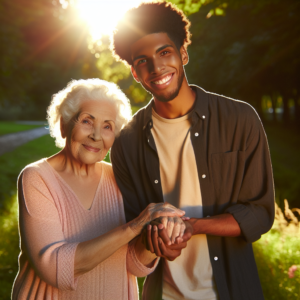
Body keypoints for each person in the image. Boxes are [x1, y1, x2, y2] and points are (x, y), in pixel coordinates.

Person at [111, 2, 275, 300]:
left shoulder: (240, 119)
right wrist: (156, 240)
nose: (157, 67)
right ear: (135, 72)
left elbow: (259, 212)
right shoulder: (126, 142)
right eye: (143, 61)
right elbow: (132, 230)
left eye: (164, 52)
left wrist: (193, 227)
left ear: (183, 53)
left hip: (233, 290)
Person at [12, 78, 187, 300]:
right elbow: (54, 268)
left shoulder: (120, 178)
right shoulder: (37, 177)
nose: (96, 135)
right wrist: (134, 226)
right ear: (65, 123)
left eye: (107, 126)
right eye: (87, 121)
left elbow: (133, 264)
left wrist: (157, 236)